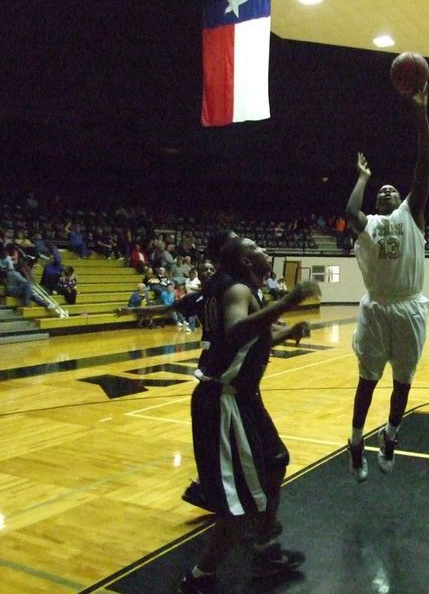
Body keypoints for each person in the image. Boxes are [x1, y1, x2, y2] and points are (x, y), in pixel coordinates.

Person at [179, 236, 320, 592]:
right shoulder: (239, 290)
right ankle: (200, 577)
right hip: (224, 400)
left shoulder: (236, 288)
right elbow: (236, 332)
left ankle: (264, 544)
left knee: (275, 460)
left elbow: (249, 339)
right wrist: (287, 302)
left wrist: (286, 333)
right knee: (239, 506)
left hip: (242, 398)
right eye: (255, 247)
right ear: (245, 261)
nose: (264, 250)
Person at [344, 80, 429, 482]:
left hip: (409, 305)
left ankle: (391, 435)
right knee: (367, 380)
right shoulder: (370, 224)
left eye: (392, 190)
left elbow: (424, 162)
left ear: (401, 199)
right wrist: (363, 178)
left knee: (402, 382)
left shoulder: (412, 215)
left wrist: (421, 113)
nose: (387, 191)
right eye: (381, 190)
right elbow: (350, 213)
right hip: (376, 307)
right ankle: (355, 440)